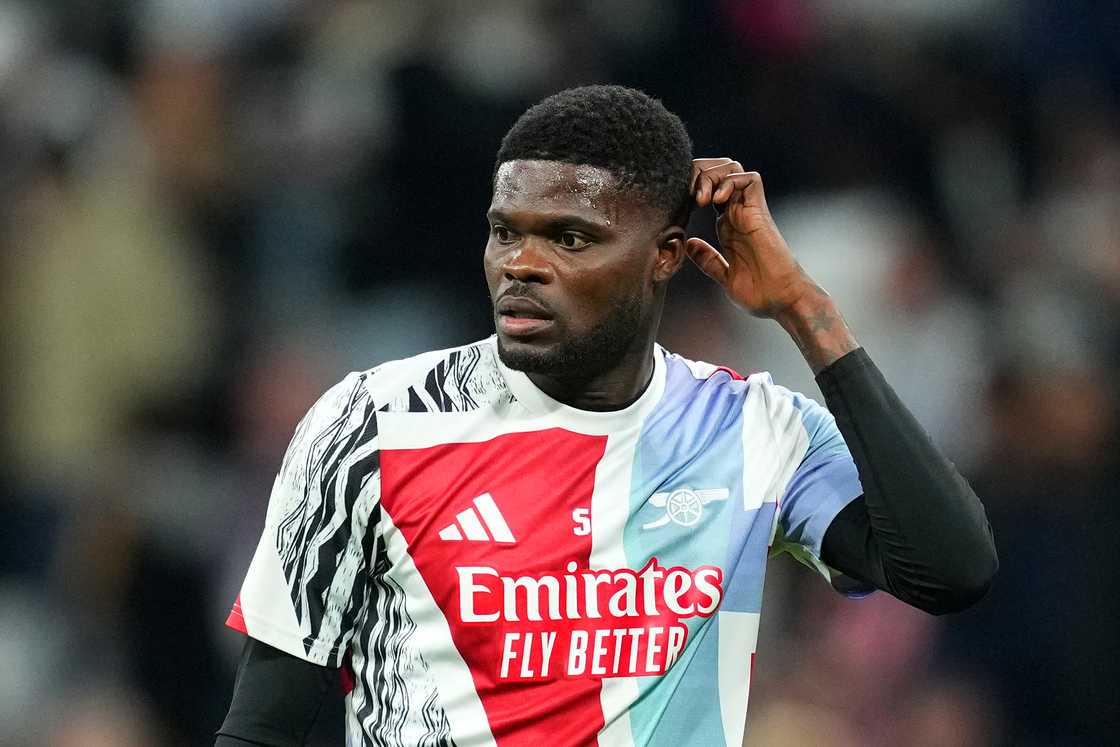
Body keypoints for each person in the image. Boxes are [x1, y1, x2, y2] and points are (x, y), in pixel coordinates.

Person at [215, 85, 997, 746]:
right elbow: (264, 725)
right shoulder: (375, 422)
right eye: (505, 231)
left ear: (666, 255)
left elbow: (951, 569)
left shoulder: (753, 428)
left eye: (570, 237)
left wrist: (804, 308)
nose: (521, 263)